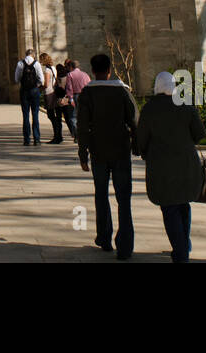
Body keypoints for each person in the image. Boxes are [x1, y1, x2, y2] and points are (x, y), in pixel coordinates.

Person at [136, 71, 204, 263]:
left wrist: (146, 152)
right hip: (187, 165)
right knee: (183, 204)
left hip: (161, 167)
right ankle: (184, 244)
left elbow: (141, 140)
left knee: (169, 208)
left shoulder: (149, 109)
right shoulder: (186, 106)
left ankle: (180, 250)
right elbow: (198, 134)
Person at [77, 53, 138, 261]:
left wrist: (82, 154)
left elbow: (83, 127)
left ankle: (104, 238)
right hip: (121, 151)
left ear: (93, 71)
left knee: (101, 195)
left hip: (99, 152)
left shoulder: (87, 94)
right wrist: (137, 147)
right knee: (124, 198)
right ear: (110, 70)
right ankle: (125, 245)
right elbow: (134, 120)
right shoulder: (122, 92)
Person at [13, 49, 44, 145]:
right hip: (34, 90)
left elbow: (16, 78)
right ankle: (37, 139)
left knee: (25, 115)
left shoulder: (20, 64)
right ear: (33, 55)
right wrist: (36, 85)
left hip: (24, 91)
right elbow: (41, 79)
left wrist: (22, 83)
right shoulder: (37, 64)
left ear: (26, 54)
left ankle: (26, 140)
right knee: (35, 115)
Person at [39, 53, 61, 143]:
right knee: (56, 115)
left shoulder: (47, 70)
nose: (40, 62)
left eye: (41, 60)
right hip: (54, 93)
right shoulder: (54, 68)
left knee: (51, 115)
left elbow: (46, 84)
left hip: (49, 93)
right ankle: (58, 135)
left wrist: (40, 88)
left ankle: (57, 136)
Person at [65, 58, 90, 131]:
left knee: (73, 116)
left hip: (75, 96)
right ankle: (83, 131)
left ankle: (77, 133)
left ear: (71, 67)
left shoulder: (70, 74)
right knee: (83, 115)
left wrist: (70, 99)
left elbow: (69, 88)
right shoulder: (85, 74)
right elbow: (89, 85)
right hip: (84, 95)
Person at [47, 62, 70, 143]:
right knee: (68, 119)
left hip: (59, 101)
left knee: (59, 119)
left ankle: (58, 137)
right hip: (66, 101)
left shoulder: (59, 78)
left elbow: (59, 88)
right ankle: (75, 135)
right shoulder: (67, 76)